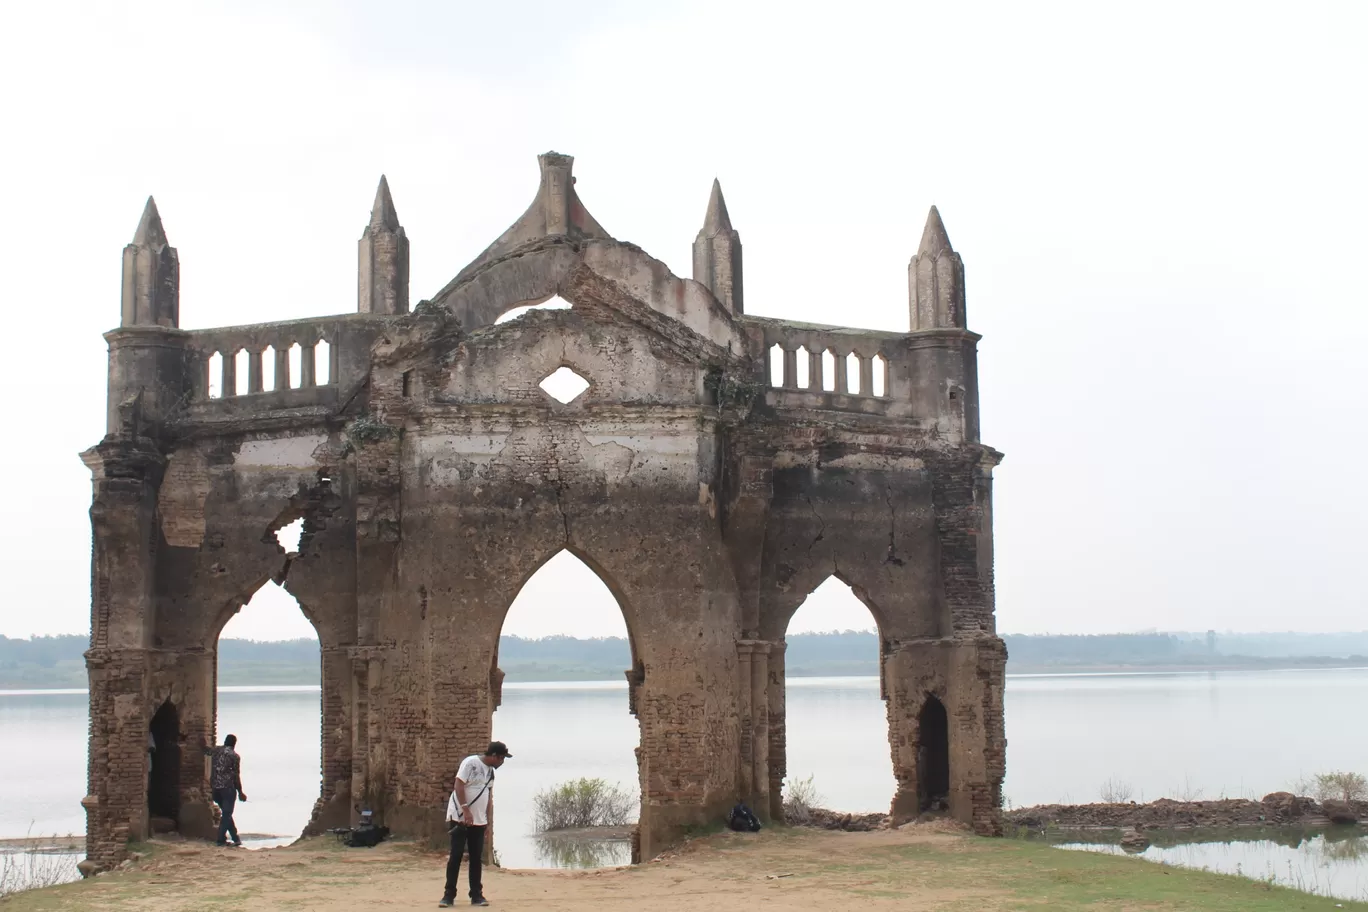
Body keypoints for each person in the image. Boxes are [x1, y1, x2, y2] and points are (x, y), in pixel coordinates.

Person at [440, 741, 511, 908]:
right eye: (501, 758)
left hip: (479, 821)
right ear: (494, 756)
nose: (502, 762)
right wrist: (465, 810)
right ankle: (448, 895)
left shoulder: (491, 773)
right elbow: (459, 784)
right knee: (456, 856)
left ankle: (476, 895)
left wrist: (487, 822)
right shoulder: (470, 763)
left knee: (475, 858)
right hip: (460, 817)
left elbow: (487, 796)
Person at [205, 734, 247, 847]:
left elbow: (206, 751)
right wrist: (240, 792)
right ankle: (220, 840)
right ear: (234, 744)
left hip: (215, 788)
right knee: (227, 814)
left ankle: (235, 838)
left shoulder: (216, 750)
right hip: (227, 788)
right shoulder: (234, 756)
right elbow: (236, 775)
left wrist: (201, 742)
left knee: (226, 813)